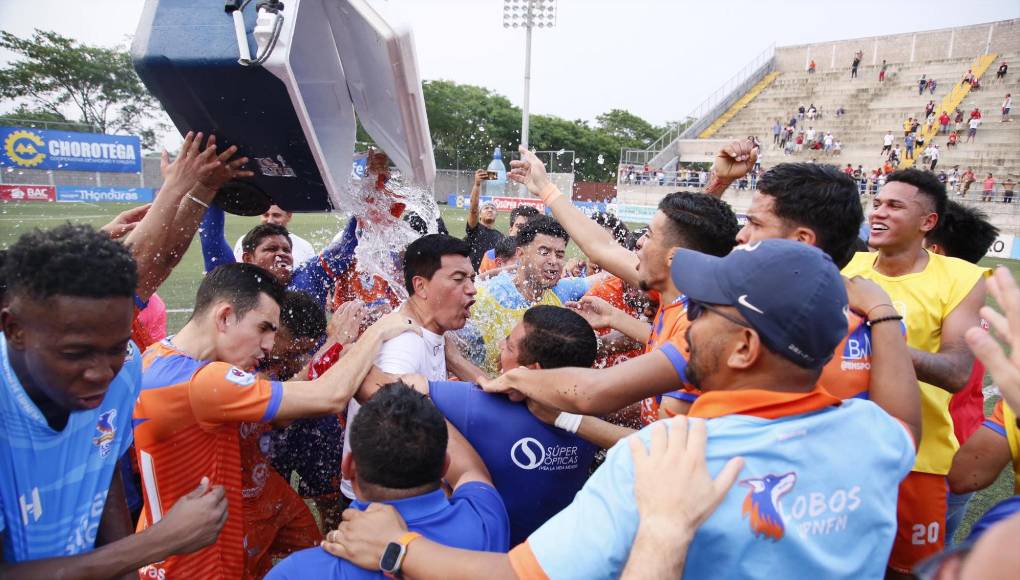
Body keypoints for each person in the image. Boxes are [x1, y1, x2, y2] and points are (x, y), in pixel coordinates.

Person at [323, 240, 918, 579]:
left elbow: (516, 576)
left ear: (743, 348)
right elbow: (904, 424)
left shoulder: (662, 464)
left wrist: (397, 548)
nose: (690, 321)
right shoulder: (871, 435)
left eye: (705, 310)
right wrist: (884, 315)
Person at [131, 263, 416, 578]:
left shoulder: (159, 358)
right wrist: (377, 332)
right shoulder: (204, 381)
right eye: (263, 328)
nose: (268, 345)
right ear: (224, 316)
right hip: (196, 565)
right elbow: (330, 395)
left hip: (177, 549)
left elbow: (278, 397)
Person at [0, 224, 227, 575]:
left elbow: (102, 473)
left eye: (116, 348)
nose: (101, 373)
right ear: (15, 329)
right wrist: (158, 541)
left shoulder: (127, 368)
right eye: (76, 352)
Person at [482, 144, 742, 424]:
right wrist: (546, 189)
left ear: (673, 257)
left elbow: (596, 395)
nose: (638, 243)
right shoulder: (683, 299)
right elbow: (601, 246)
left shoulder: (697, 328)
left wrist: (553, 409)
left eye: (650, 236)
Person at [843, 169, 988, 576]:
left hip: (918, 459)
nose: (879, 213)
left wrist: (881, 338)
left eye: (894, 206)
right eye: (877, 203)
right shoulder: (847, 265)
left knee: (909, 572)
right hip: (841, 450)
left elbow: (957, 370)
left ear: (928, 222)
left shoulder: (961, 277)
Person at [266, 383, 510, 579]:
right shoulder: (486, 519)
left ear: (349, 467)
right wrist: (419, 402)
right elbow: (470, 470)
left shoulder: (298, 572)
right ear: (444, 466)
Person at [423, 306, 609, 545]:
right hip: (550, 557)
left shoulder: (474, 407)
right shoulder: (594, 421)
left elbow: (387, 387)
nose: (501, 344)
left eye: (509, 346)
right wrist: (458, 362)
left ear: (531, 372)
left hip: (486, 555)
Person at [338, 234, 478, 504]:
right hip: (385, 501)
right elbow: (391, 413)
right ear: (421, 286)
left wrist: (456, 360)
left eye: (472, 278)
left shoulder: (433, 332)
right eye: (459, 279)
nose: (472, 289)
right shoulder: (404, 342)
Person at [922, 200, 999, 543]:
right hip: (964, 435)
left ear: (934, 249)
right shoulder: (973, 300)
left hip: (934, 447)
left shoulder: (936, 303)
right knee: (940, 549)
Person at [468, 216, 598, 375]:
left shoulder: (562, 290)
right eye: (544, 252)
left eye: (559, 254)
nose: (554, 261)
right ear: (521, 254)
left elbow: (609, 276)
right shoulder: (484, 296)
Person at [231, 205, 317, 265]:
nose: (270, 221)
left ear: (289, 216)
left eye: (276, 215)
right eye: (266, 215)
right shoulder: (244, 241)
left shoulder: (305, 246)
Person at [466, 169, 505, 271]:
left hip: (490, 280)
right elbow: (473, 209)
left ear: (497, 215)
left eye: (492, 208)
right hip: (473, 277)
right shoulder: (475, 229)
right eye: (486, 208)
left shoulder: (500, 236)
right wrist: (477, 185)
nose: (490, 210)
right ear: (479, 214)